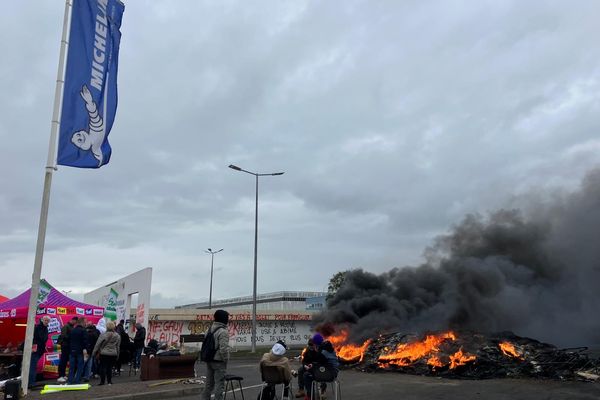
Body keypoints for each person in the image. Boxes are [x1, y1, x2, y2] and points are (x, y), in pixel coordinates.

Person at [201, 309, 230, 400]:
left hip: (209, 359)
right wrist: (226, 359)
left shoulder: (209, 329)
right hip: (218, 361)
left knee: (209, 384)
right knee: (219, 384)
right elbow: (224, 349)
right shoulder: (223, 331)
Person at [92, 320, 121, 386]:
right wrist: (117, 355)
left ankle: (102, 382)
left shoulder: (103, 335)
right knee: (110, 368)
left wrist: (93, 353)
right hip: (113, 353)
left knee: (103, 367)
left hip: (104, 353)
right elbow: (118, 346)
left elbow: (97, 344)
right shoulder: (117, 336)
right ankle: (109, 381)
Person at [28, 316, 50, 388]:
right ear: (42, 320)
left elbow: (44, 339)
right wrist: (33, 347)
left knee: (34, 366)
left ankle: (32, 381)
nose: (46, 322)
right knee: (32, 366)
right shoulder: (38, 327)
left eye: (48, 321)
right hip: (35, 349)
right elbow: (36, 338)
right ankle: (31, 382)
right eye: (45, 320)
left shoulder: (45, 328)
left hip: (40, 350)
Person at [68, 317, 89, 384]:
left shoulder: (72, 330)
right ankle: (77, 381)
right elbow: (85, 342)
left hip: (72, 351)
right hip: (80, 351)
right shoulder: (83, 330)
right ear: (82, 322)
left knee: (72, 367)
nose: (86, 323)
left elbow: (69, 340)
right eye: (85, 322)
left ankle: (70, 381)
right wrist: (86, 350)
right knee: (80, 367)